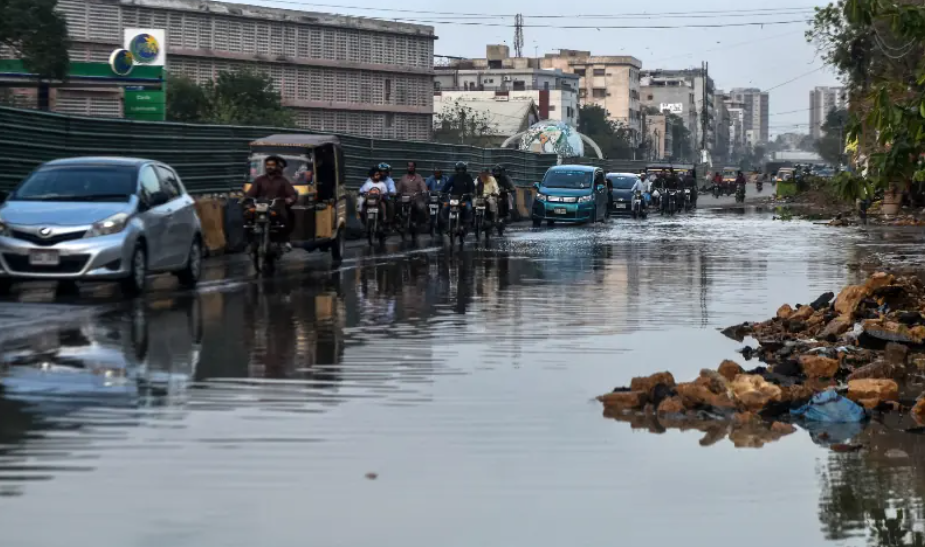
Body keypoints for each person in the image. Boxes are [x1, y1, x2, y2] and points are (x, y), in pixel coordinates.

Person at [246, 155, 297, 248]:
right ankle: (249, 242)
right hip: (260, 207)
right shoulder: (259, 180)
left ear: (276, 166)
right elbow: (251, 193)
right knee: (247, 216)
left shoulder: (283, 181)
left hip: (277, 207)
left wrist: (289, 199)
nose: (269, 167)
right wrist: (248, 200)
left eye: (272, 165)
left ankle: (284, 240)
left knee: (288, 216)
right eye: (267, 165)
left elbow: (292, 194)